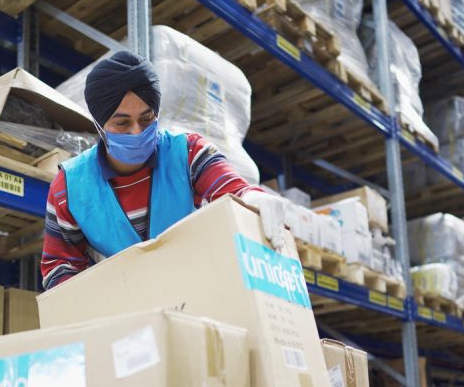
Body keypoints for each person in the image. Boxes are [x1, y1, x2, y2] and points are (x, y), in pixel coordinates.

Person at [40, 50, 285, 289]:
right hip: (123, 308)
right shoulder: (69, 187)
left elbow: (230, 187)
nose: (136, 132)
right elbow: (59, 266)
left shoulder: (188, 153)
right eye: (122, 122)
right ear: (99, 125)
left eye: (146, 119)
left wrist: (251, 198)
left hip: (194, 294)